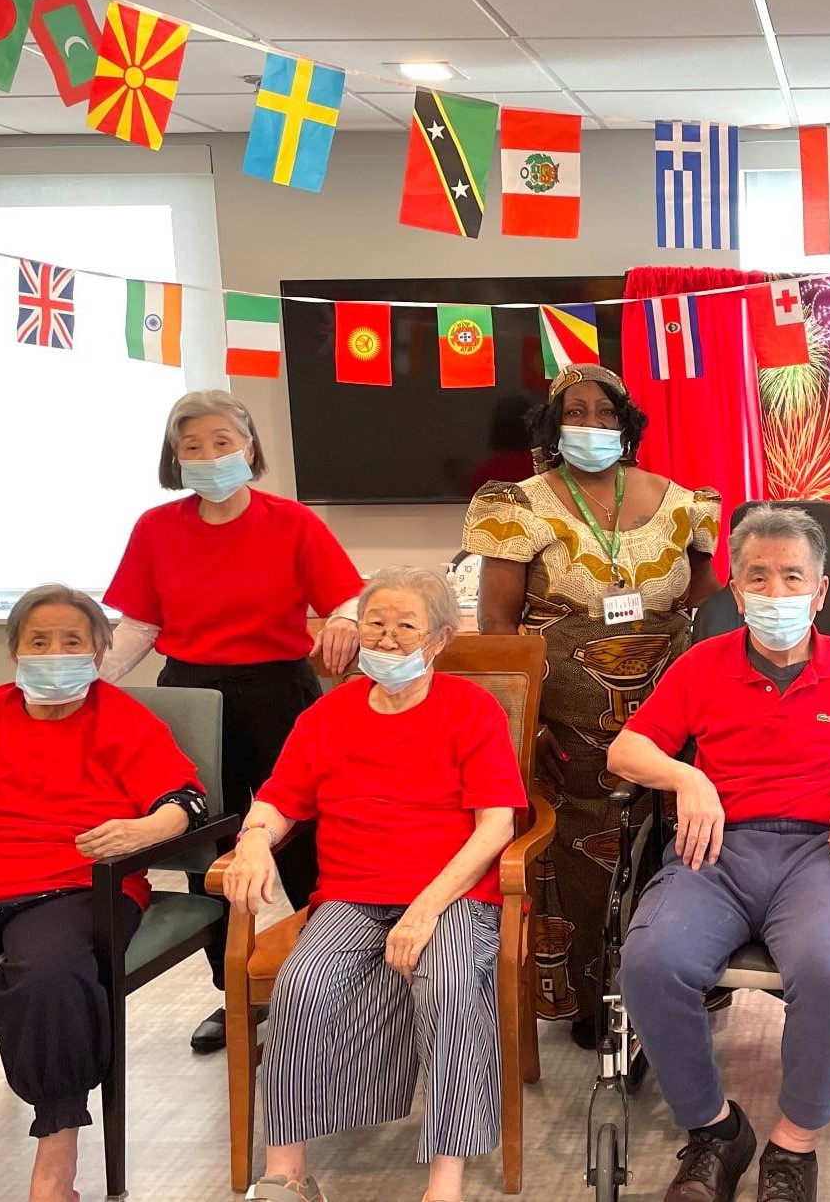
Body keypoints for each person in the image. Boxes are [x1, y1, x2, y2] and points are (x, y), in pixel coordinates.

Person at [608, 506, 830, 1202]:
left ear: (821, 590)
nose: (775, 592)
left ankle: (793, 1145)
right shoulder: (701, 664)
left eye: (792, 576)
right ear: (736, 592)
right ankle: (715, 1130)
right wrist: (687, 775)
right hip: (715, 851)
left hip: (819, 853)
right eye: (757, 577)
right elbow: (627, 748)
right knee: (649, 961)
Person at [221, 567, 528, 1202]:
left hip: (452, 896)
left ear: (440, 639)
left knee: (447, 985)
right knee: (303, 988)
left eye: (405, 627)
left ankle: (447, 1177)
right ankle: (287, 1175)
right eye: (375, 624)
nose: (386, 640)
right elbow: (280, 798)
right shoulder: (327, 714)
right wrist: (253, 840)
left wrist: (424, 908)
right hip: (351, 894)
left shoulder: (473, 711)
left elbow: (495, 826)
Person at [0, 586, 205, 1202]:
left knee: (48, 976)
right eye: (37, 642)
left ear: (100, 653)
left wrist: (146, 829)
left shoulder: (123, 720)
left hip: (69, 884)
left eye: (71, 642)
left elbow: (185, 801)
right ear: (14, 653)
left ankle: (57, 1152)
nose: (53, 654)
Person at [463, 362, 721, 1044]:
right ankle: (593, 1001)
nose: (593, 426)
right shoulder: (518, 504)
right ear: (553, 425)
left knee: (673, 845)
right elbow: (496, 628)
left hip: (674, 717)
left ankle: (673, 989)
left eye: (607, 414)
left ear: (628, 423)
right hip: (566, 725)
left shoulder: (679, 501)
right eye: (576, 412)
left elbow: (707, 598)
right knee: (584, 859)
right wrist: (525, 722)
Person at [101, 389, 363, 1053]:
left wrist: (345, 620)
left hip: (279, 688)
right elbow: (139, 626)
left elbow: (347, 598)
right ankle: (235, 995)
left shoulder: (292, 522)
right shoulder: (156, 528)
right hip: (192, 690)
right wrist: (87, 680)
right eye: (192, 446)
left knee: (302, 836)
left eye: (223, 441)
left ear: (249, 447)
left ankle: (322, 985)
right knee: (209, 850)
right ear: (174, 457)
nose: (210, 455)